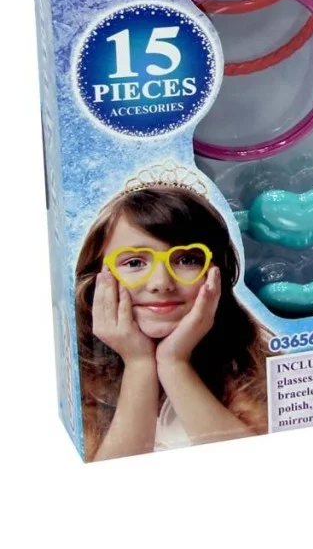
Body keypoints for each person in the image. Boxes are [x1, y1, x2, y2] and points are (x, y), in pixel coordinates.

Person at [75, 173, 268, 459]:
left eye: (187, 259)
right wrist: (139, 363)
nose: (161, 283)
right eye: (134, 262)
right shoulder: (78, 377)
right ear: (96, 279)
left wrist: (174, 362)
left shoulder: (255, 366)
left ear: (218, 274)